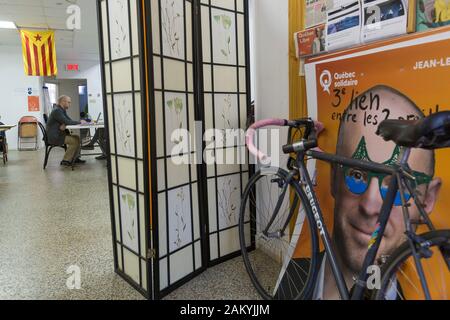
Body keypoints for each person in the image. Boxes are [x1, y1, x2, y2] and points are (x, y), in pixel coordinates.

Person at [314, 85, 442, 300]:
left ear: (428, 199)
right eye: (356, 175)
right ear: (334, 177)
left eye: (400, 186)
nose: (370, 206)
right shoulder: (295, 274)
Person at [46, 95, 87, 166]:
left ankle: (75, 158)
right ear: (63, 102)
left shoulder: (62, 110)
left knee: (77, 138)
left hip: (59, 134)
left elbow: (68, 121)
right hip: (55, 137)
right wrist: (80, 122)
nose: (70, 104)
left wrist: (65, 123)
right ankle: (66, 160)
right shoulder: (57, 111)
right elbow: (67, 121)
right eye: (69, 102)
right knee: (74, 141)